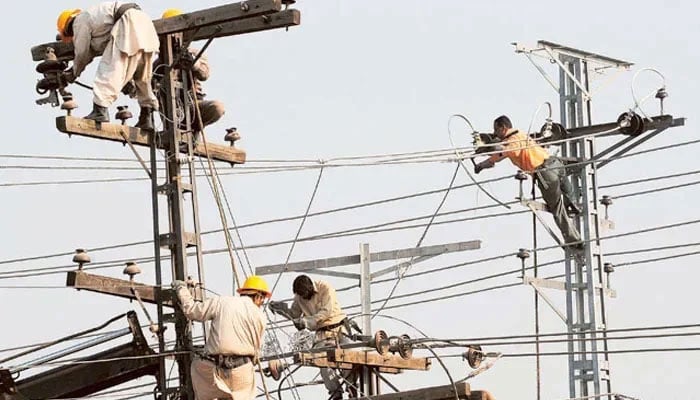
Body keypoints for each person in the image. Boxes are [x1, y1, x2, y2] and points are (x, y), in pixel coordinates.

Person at [474, 115, 583, 250]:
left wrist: (489, 147)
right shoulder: (520, 134)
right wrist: (480, 166)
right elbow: (496, 158)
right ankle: (573, 203)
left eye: (496, 130)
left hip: (544, 172)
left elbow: (502, 150)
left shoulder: (512, 143)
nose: (495, 133)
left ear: (503, 128)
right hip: (555, 163)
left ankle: (575, 242)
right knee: (565, 186)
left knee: (557, 208)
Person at [56, 3, 159, 130]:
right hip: (145, 23)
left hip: (129, 20)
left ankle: (100, 110)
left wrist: (73, 73)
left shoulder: (79, 21)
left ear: (67, 29)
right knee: (142, 76)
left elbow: (82, 53)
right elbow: (90, 52)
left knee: (108, 70)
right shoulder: (95, 18)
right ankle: (146, 116)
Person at [173, 275, 271, 400]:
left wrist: (182, 289)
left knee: (197, 365)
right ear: (258, 296)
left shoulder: (221, 302)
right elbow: (257, 352)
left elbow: (192, 311)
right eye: (262, 300)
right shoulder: (261, 316)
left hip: (215, 369)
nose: (261, 304)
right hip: (242, 372)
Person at [269, 275, 357, 400]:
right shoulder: (299, 297)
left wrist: (306, 321)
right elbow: (294, 314)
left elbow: (326, 311)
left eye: (305, 295)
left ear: (311, 288)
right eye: (301, 296)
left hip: (339, 329)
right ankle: (336, 394)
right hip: (322, 334)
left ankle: (352, 387)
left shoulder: (325, 288)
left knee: (349, 356)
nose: (304, 298)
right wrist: (282, 310)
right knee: (322, 363)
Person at [151, 9, 226, 136]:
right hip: (171, 110)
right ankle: (178, 128)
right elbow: (151, 89)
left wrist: (193, 64)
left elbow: (205, 74)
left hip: (193, 105)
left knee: (217, 107)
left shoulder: (194, 54)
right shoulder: (158, 64)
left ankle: (193, 128)